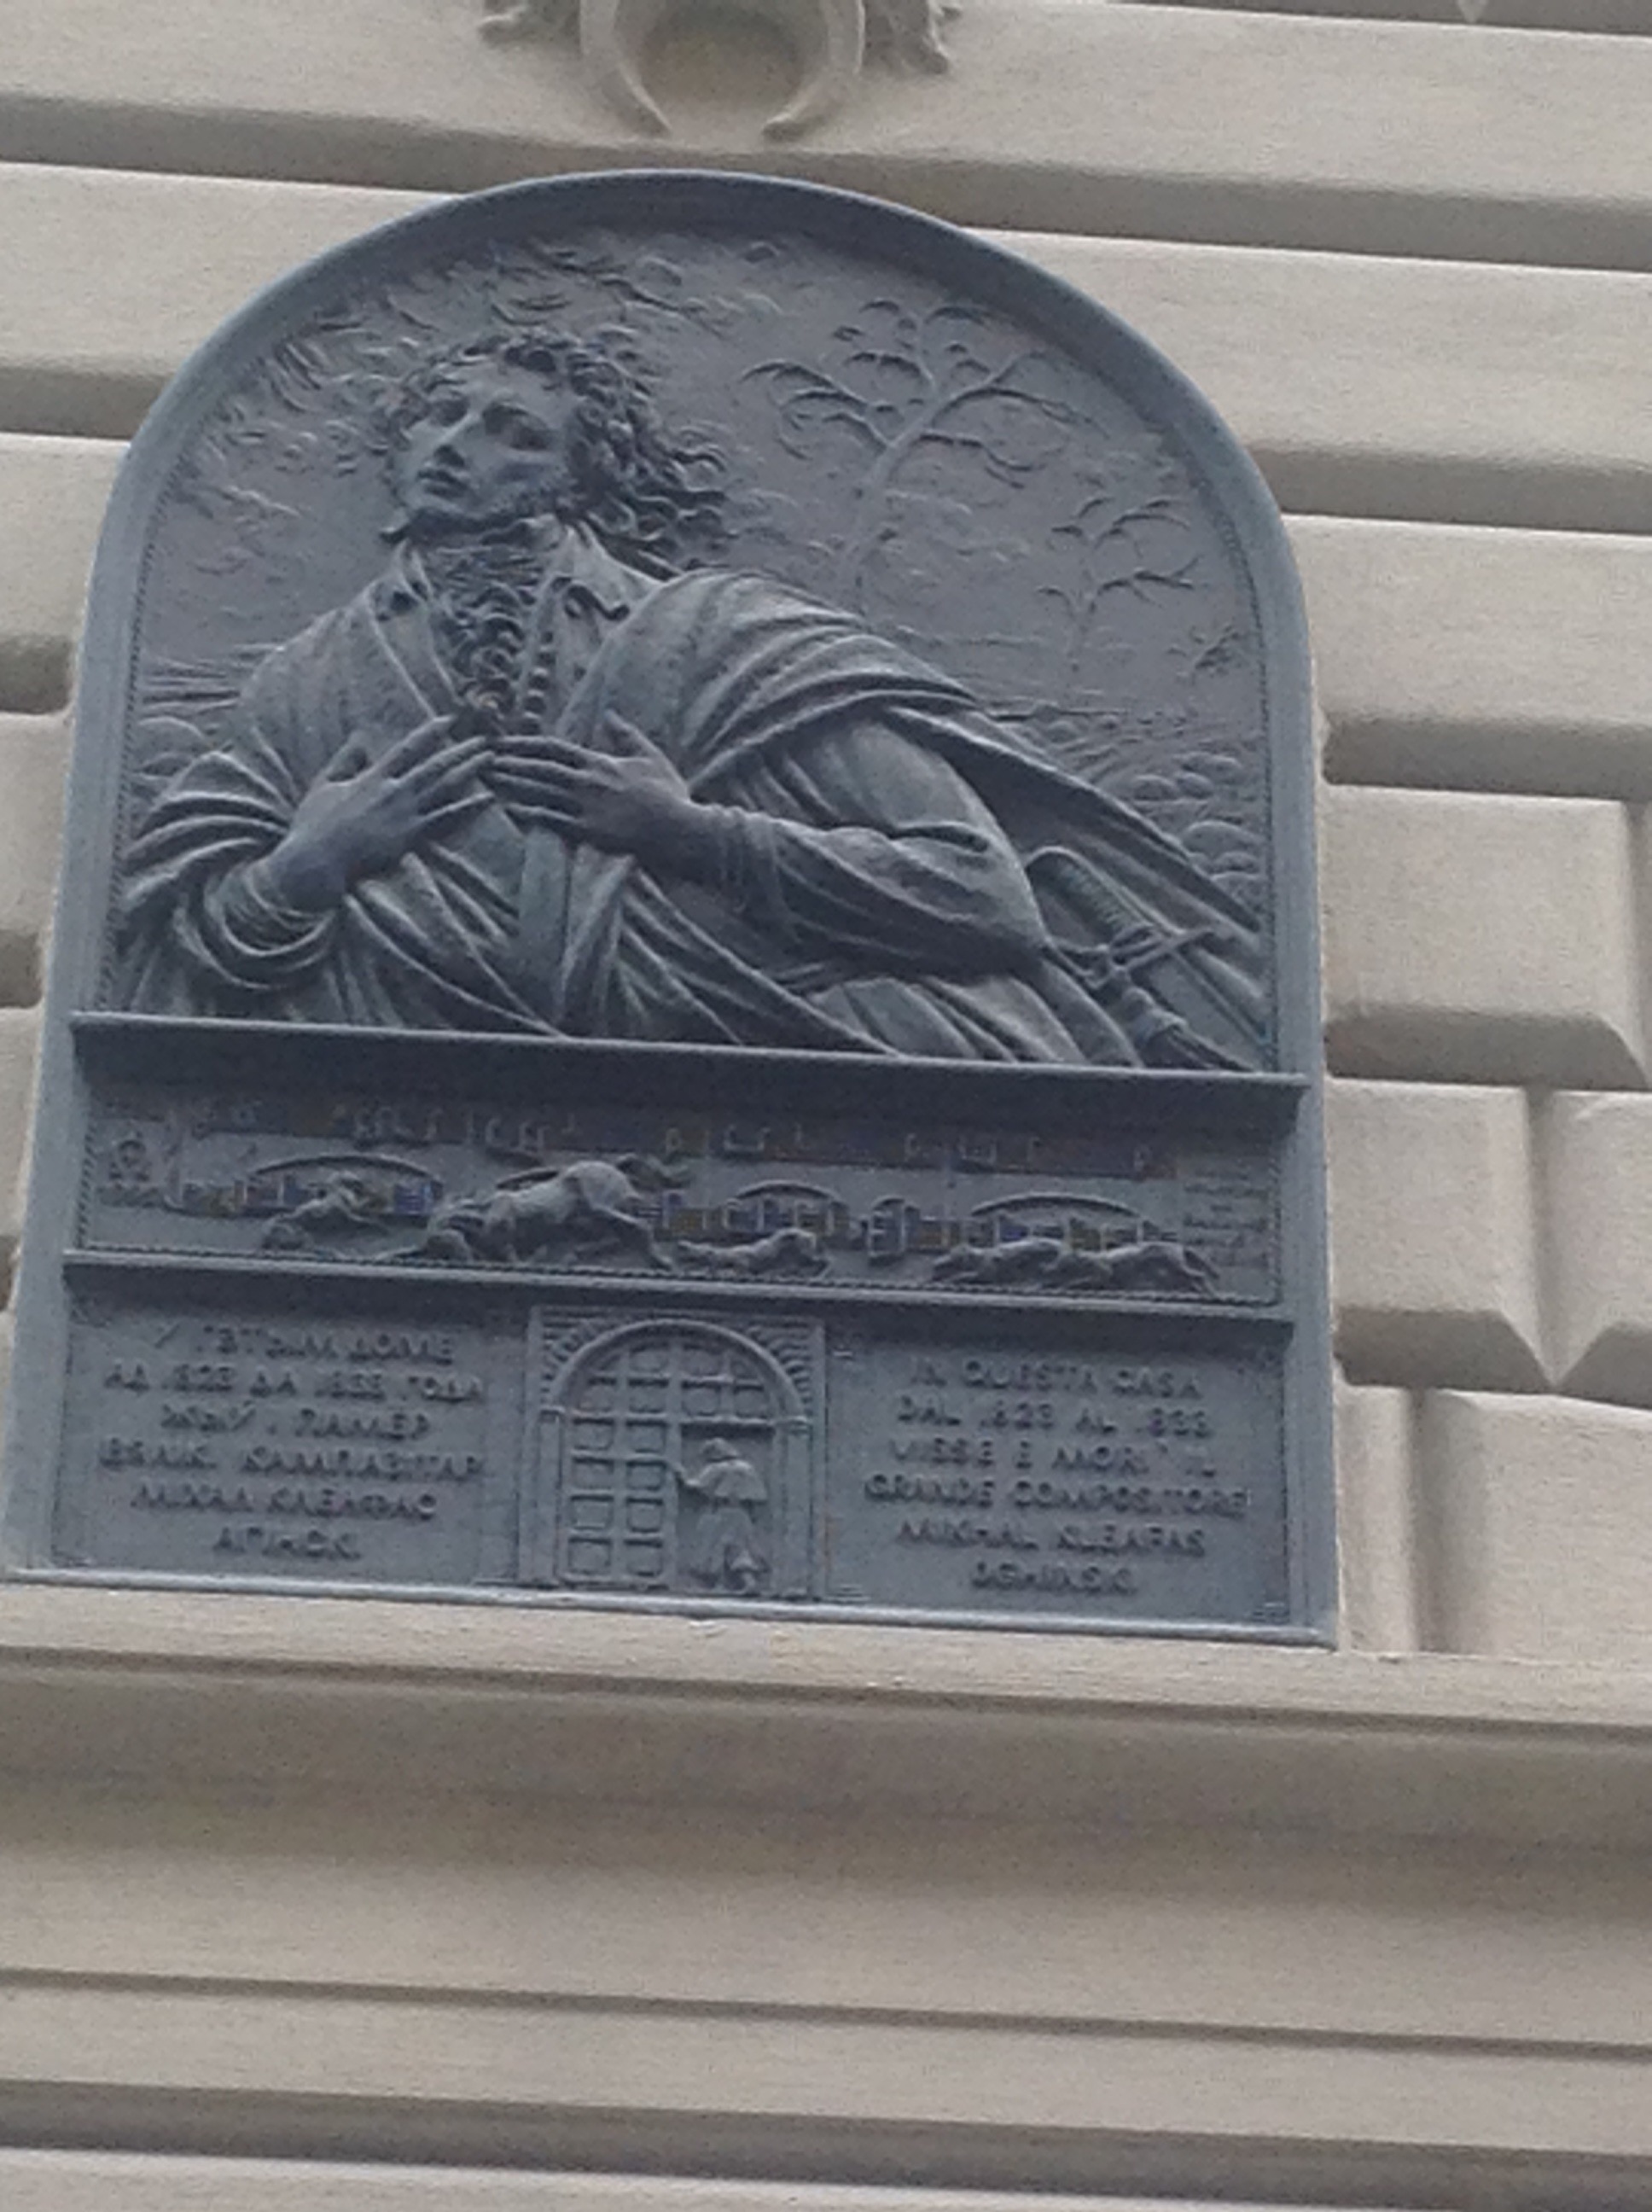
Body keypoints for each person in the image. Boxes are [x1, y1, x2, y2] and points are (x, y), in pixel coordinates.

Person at [117, 329, 1264, 1066]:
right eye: (443, 415)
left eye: (515, 436)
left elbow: (984, 899)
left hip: (792, 1082)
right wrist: (307, 867)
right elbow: (174, 959)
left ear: (579, 483)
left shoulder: (721, 643)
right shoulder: (308, 678)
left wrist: (691, 835)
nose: (456, 448)